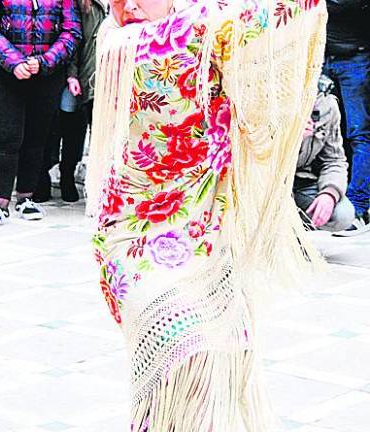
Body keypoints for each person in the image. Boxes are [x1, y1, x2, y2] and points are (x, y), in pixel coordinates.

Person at [88, 0, 327, 430]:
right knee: (179, 353)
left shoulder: (201, 29)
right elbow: (260, 21)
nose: (131, 6)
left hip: (205, 231)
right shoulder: (125, 43)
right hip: (131, 238)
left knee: (222, 353)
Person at [0, 0, 81, 228]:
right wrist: (14, 61)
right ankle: (0, 204)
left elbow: (71, 31)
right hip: (7, 72)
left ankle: (26, 198)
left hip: (46, 74)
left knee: (36, 138)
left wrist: (45, 61)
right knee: (5, 139)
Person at [36, 0, 106, 203]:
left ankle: (67, 173)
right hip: (66, 71)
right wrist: (72, 74)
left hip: (91, 77)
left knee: (74, 126)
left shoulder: (109, 6)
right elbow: (75, 39)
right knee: (54, 123)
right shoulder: (83, 5)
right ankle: (44, 175)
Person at [323, 0, 370, 237]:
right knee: (321, 131)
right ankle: (323, 202)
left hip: (356, 58)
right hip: (322, 56)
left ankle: (359, 209)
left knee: (360, 133)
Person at [294, 75, 355, 232]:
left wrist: (330, 193)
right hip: (268, 183)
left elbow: (335, 160)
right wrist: (291, 140)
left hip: (302, 181)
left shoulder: (326, 104)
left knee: (343, 215)